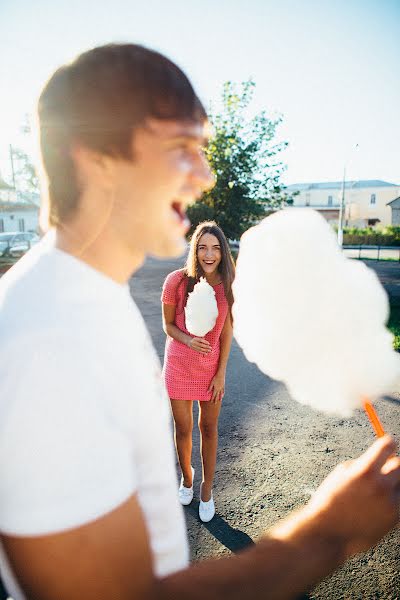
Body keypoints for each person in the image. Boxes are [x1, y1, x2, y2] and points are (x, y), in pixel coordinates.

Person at [0, 43, 398, 600]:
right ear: (93, 155)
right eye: (182, 148)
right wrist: (328, 533)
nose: (204, 174)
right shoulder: (50, 335)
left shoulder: (89, 300)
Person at [162, 221, 234, 522]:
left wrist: (221, 373)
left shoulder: (228, 286)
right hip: (178, 365)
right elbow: (168, 325)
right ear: (195, 249)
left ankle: (207, 489)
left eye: (216, 248)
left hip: (210, 369)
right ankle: (187, 479)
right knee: (183, 429)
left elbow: (227, 333)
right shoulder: (176, 281)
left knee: (208, 429)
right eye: (203, 247)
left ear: (222, 252)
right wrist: (189, 338)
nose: (209, 254)